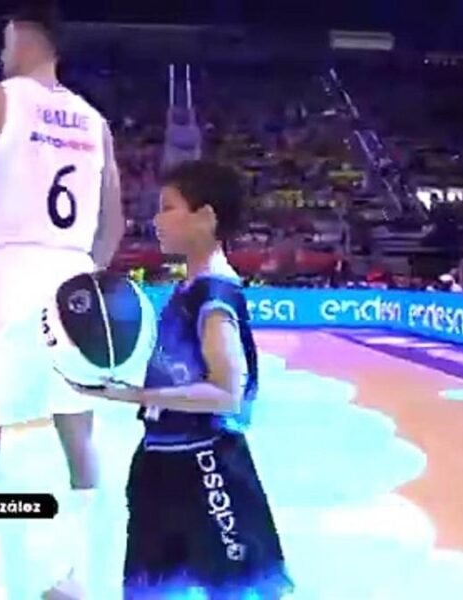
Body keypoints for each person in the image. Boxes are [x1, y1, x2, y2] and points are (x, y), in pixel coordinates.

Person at [0, 1, 124, 596]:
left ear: (25, 37)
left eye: (5, 42)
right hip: (73, 272)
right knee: (78, 429)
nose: (1, 55)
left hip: (10, 267)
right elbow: (114, 222)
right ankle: (78, 576)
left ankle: (2, 580)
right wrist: (86, 276)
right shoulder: (94, 121)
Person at [75, 160, 292, 598]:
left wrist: (132, 394)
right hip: (162, 459)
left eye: (168, 207)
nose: (156, 219)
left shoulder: (214, 293)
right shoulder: (189, 289)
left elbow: (226, 393)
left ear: (205, 217)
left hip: (206, 464)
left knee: (236, 591)